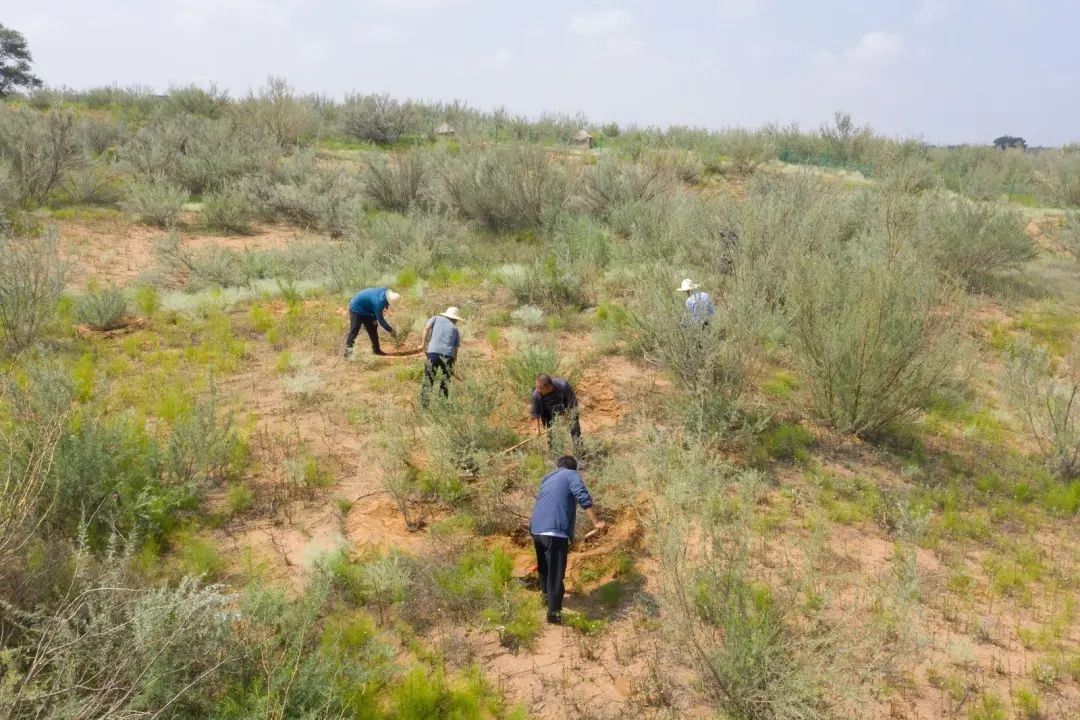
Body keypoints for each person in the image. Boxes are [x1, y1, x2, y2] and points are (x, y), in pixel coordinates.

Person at [529, 456, 606, 624]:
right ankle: (554, 615)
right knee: (556, 574)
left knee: (545, 569)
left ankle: (547, 600)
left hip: (537, 529)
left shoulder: (548, 477)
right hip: (555, 532)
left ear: (558, 466)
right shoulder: (572, 475)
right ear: (573, 468)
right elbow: (582, 496)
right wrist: (596, 522)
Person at [419, 306, 462, 407]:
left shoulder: (435, 318)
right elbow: (455, 349)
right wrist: (452, 364)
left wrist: (422, 344)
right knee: (445, 382)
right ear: (455, 319)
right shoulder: (455, 329)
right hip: (448, 356)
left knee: (429, 379)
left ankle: (424, 406)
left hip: (433, 353)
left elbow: (426, 329)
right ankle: (442, 406)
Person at [531, 374, 581, 452]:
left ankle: (579, 452)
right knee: (551, 436)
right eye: (537, 387)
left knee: (575, 429)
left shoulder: (563, 385)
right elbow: (535, 412)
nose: (538, 390)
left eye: (541, 388)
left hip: (565, 410)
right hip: (548, 414)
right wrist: (537, 429)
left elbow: (573, 405)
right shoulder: (536, 394)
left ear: (549, 387)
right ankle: (554, 455)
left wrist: (567, 417)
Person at [344, 287, 400, 358]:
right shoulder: (378, 303)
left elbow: (378, 306)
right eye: (389, 303)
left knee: (373, 328)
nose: (389, 305)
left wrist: (374, 320)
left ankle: (377, 350)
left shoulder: (386, 293)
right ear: (388, 299)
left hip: (368, 310)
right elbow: (381, 320)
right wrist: (391, 330)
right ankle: (348, 354)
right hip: (356, 308)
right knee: (354, 330)